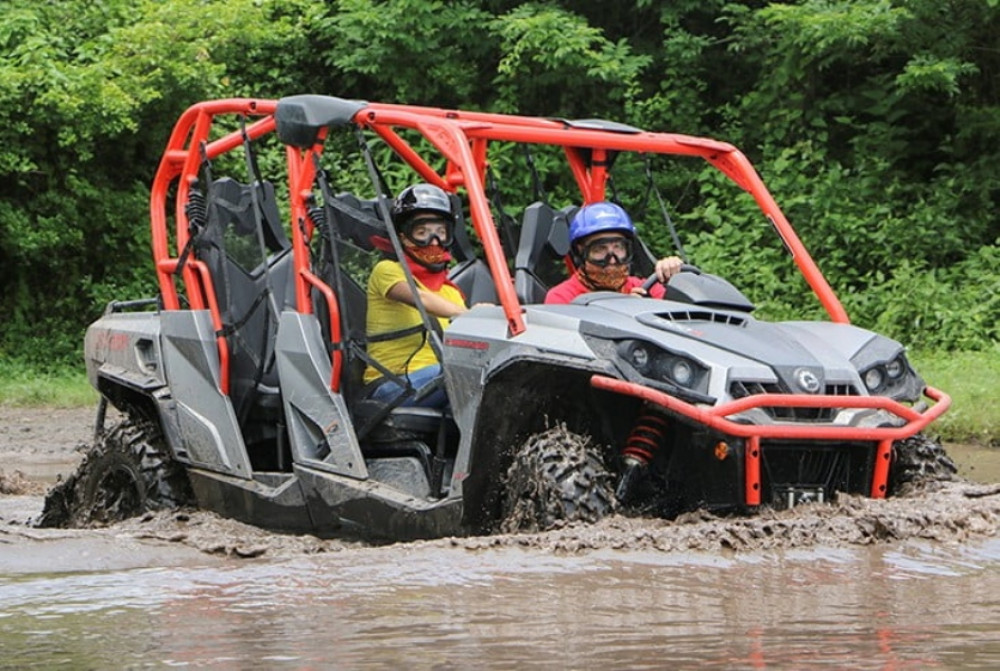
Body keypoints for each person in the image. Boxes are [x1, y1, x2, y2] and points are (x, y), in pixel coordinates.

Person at [364, 183, 468, 409]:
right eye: (422, 232)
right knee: (463, 376)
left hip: (440, 381)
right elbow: (421, 299)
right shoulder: (388, 271)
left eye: (441, 232)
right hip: (392, 384)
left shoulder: (451, 291)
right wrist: (471, 314)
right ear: (404, 237)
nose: (433, 241)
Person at [544, 201, 684, 304]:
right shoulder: (561, 298)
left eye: (618, 247)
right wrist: (625, 309)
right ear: (581, 252)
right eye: (600, 249)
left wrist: (675, 278)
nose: (612, 259)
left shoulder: (645, 288)